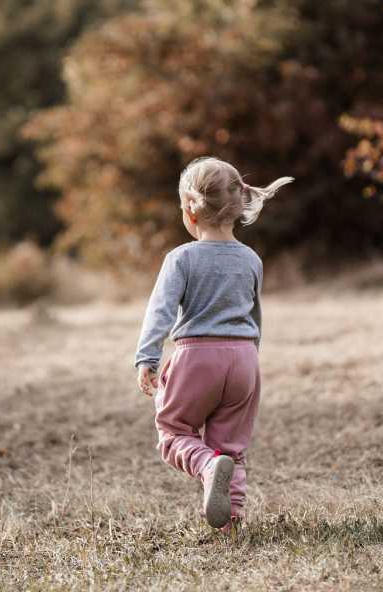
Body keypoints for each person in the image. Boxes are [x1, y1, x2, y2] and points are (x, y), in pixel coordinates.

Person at [134, 157, 292, 532]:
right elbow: (255, 317)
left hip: (196, 357)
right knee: (231, 448)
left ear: (191, 209)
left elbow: (160, 312)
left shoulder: (181, 259)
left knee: (174, 434)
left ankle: (206, 466)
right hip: (243, 360)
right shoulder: (252, 259)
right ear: (238, 207)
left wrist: (147, 358)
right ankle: (230, 521)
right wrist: (250, 359)